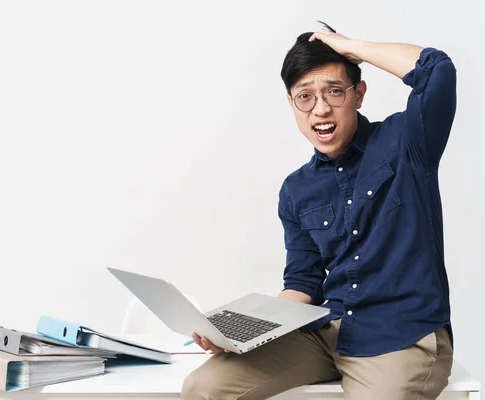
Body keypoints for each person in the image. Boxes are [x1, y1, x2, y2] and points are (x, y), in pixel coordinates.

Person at [181, 21, 456, 400]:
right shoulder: (296, 189)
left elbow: (437, 69)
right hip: (327, 333)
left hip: (401, 336)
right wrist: (246, 329)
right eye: (305, 96)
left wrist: (351, 47)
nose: (321, 109)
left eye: (334, 92)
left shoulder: (406, 141)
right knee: (203, 387)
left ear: (359, 94)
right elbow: (303, 283)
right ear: (291, 103)